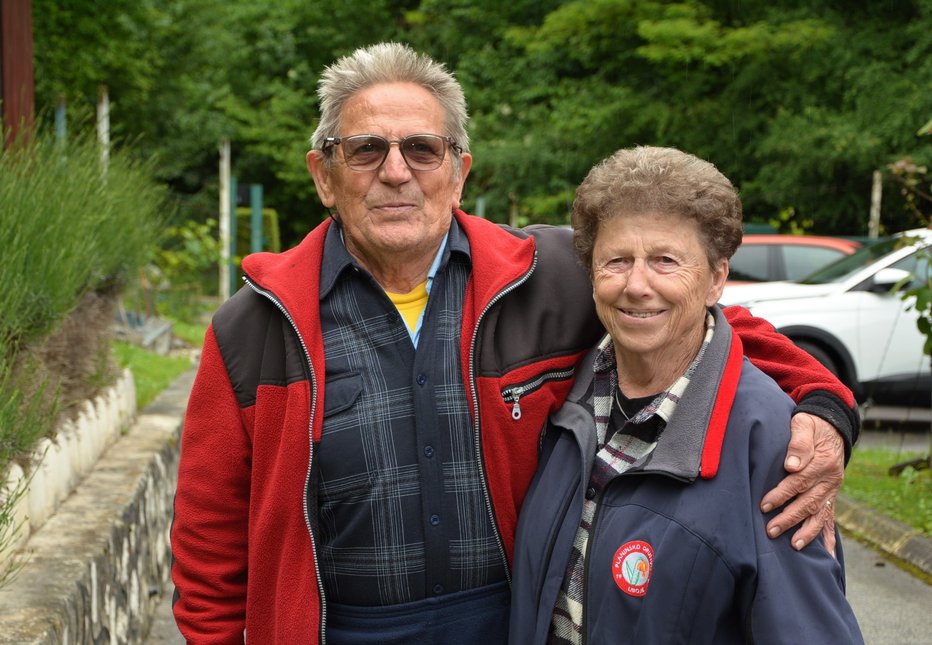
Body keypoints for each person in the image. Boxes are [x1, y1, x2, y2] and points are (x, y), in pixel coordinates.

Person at [170, 43, 859, 643]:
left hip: (509, 626)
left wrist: (824, 405)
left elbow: (695, 324)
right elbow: (209, 550)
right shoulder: (255, 327)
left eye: (421, 148)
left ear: (459, 170)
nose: (396, 171)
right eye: (366, 150)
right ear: (324, 175)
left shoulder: (548, 278)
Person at [508, 146, 864, 644]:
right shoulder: (561, 393)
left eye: (665, 261)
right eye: (617, 260)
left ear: (717, 277)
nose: (636, 284)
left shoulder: (771, 445)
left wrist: (830, 406)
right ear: (590, 274)